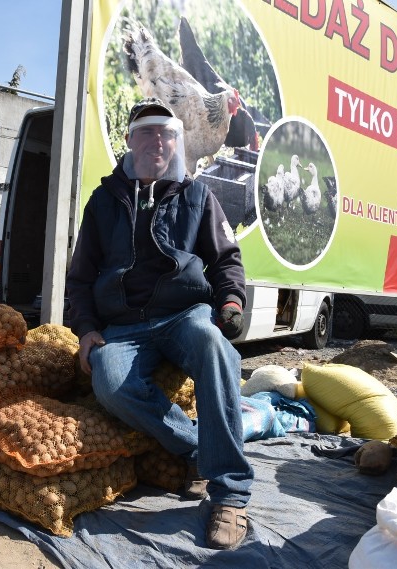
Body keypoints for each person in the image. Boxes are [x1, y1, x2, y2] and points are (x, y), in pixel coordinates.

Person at [66, 98, 253, 550]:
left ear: (177, 143)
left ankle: (230, 494)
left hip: (184, 314)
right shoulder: (104, 201)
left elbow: (226, 258)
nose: (158, 142)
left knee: (213, 345)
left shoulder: (197, 195)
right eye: (147, 133)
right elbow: (81, 276)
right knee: (109, 380)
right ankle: (194, 447)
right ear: (129, 142)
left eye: (167, 134)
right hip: (124, 324)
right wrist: (87, 328)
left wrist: (230, 299)